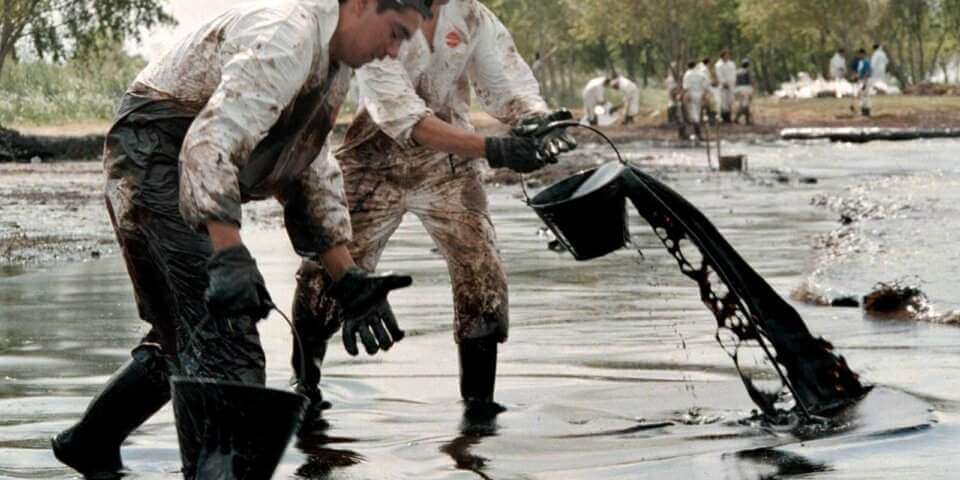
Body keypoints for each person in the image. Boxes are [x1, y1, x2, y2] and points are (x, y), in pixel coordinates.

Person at [50, 0, 431, 477]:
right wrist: (229, 256)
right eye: (394, 32)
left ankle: (91, 442)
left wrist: (347, 278)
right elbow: (211, 140)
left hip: (182, 157)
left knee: (185, 335)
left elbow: (309, 167)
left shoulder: (334, 66)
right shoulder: (288, 36)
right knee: (227, 344)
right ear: (357, 5)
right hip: (154, 151)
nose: (392, 52)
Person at [290, 0, 576, 427]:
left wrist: (535, 121)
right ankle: (305, 387)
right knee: (326, 277)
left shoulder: (472, 16)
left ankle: (479, 413)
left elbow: (506, 83)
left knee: (482, 276)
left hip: (449, 166)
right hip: (373, 162)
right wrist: (496, 149)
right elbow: (403, 117)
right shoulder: (383, 16)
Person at [682, 61, 709, 139]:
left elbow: (686, 86)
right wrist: (704, 94)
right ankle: (697, 132)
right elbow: (705, 83)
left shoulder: (687, 74)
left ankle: (697, 133)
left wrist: (686, 95)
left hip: (691, 94)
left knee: (694, 114)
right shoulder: (701, 73)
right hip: (700, 94)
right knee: (698, 112)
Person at [714, 50, 737, 123]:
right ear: (722, 56)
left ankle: (729, 117)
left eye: (728, 55)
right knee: (723, 102)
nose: (727, 56)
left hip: (731, 85)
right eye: (726, 55)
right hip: (723, 86)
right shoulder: (718, 64)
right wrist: (724, 83)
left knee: (730, 101)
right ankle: (724, 118)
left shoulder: (732, 63)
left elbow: (734, 74)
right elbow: (719, 75)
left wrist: (734, 82)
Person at [734, 59, 754, 125]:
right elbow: (750, 81)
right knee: (745, 105)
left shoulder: (737, 71)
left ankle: (747, 120)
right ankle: (737, 118)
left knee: (744, 105)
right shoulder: (747, 72)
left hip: (738, 89)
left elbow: (736, 81)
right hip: (746, 89)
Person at [854, 48, 873, 116]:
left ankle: (866, 110)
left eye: (860, 54)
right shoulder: (860, 62)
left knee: (865, 95)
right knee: (861, 95)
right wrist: (856, 77)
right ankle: (863, 110)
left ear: (863, 54)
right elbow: (860, 72)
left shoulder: (866, 61)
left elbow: (867, 72)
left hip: (866, 80)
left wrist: (865, 82)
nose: (859, 55)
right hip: (861, 80)